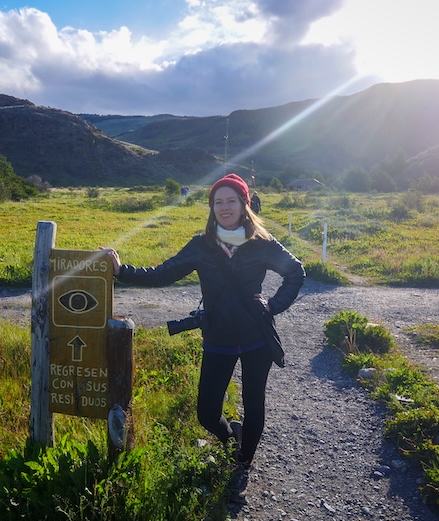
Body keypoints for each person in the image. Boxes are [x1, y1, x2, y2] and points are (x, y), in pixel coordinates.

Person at [101, 173, 304, 503]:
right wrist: (123, 271)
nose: (224, 207)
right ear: (212, 208)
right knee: (207, 412)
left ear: (244, 205)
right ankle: (230, 437)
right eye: (218, 202)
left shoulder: (262, 243)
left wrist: (272, 305)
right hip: (218, 338)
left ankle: (243, 465)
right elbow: (163, 273)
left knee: (254, 406)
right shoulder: (201, 245)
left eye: (231, 201)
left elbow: (296, 272)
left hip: (256, 339)